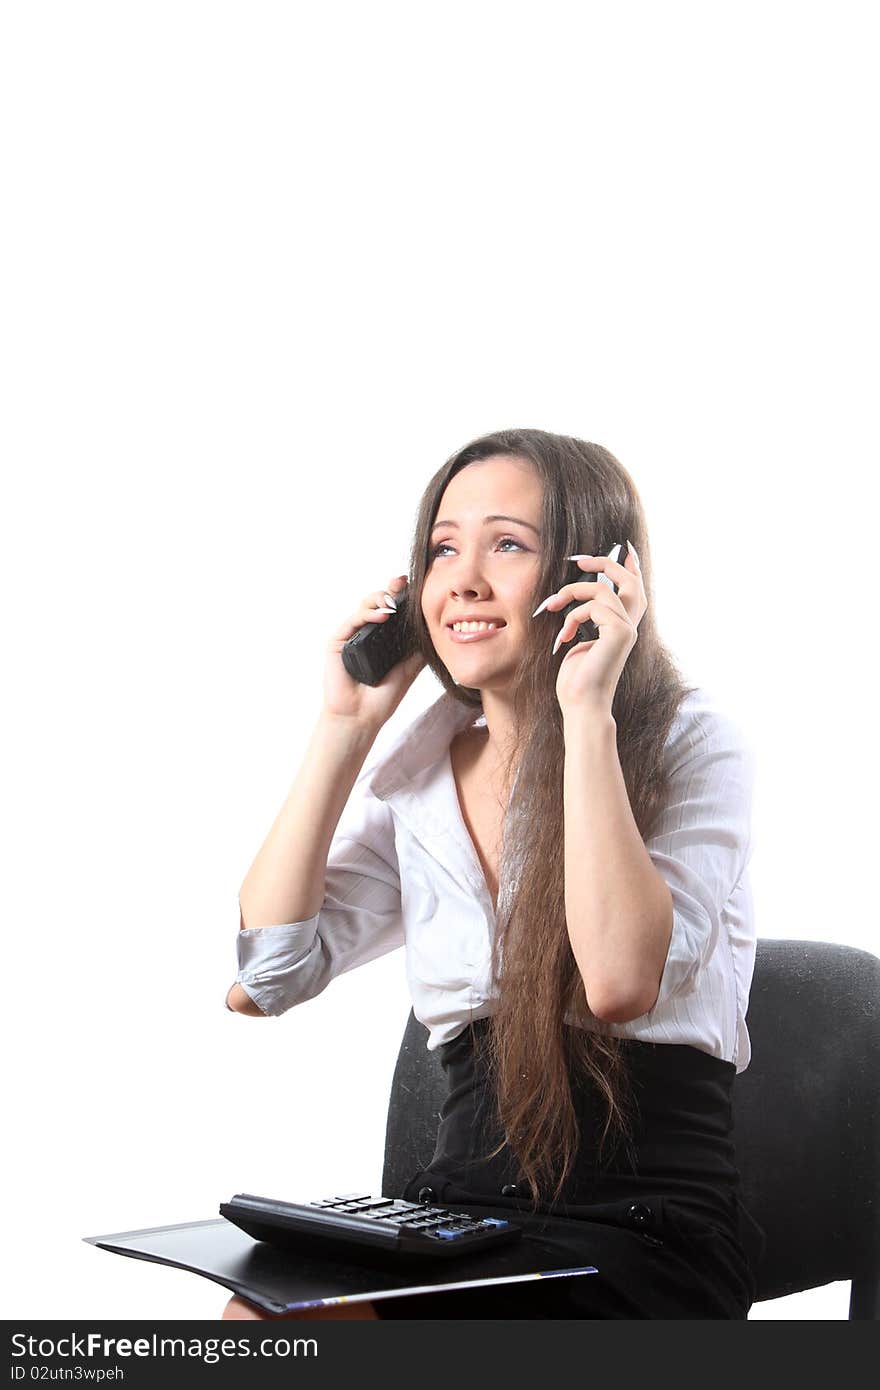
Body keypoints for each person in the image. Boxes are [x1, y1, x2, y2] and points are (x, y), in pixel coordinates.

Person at [222, 428, 765, 1320]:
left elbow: (621, 984)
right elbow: (266, 976)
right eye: (443, 548)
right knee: (264, 1321)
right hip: (460, 1220)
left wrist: (586, 711)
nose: (463, 580)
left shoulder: (690, 742)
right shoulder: (421, 771)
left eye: (506, 544)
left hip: (640, 1232)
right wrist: (344, 729)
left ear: (594, 572)